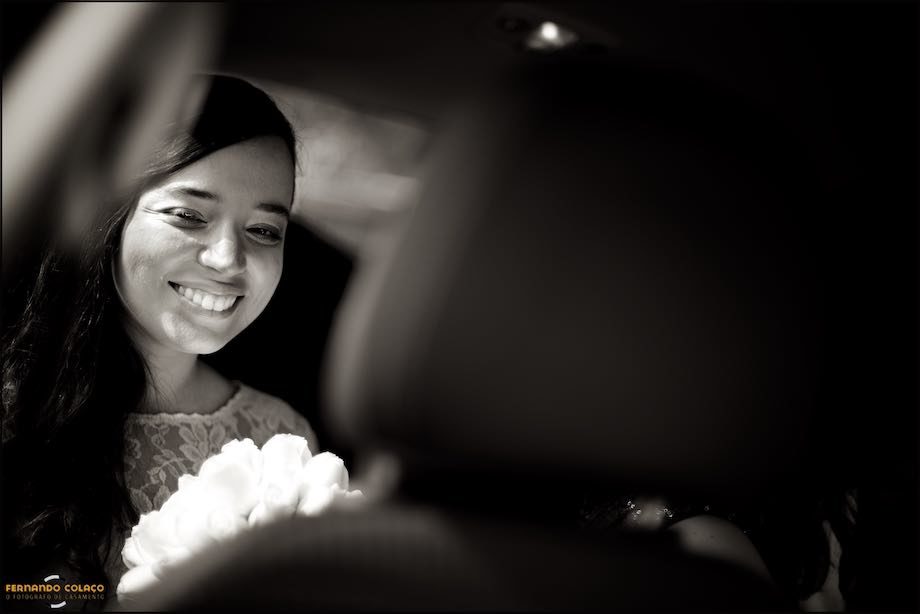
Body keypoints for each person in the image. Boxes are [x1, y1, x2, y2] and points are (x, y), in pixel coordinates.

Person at [1, 74, 317, 609]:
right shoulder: (15, 410)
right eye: (189, 215)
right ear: (111, 216)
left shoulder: (283, 439)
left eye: (264, 230)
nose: (227, 259)